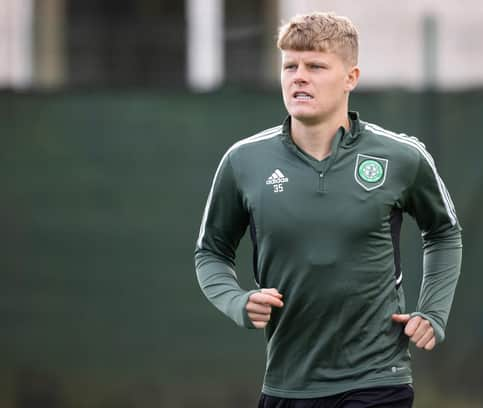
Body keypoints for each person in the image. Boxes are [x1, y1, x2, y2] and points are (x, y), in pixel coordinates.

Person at [195, 12, 462, 408]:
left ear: (351, 78)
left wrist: (433, 312)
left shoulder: (401, 157)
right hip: (288, 383)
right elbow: (211, 253)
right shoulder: (243, 161)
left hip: (378, 379)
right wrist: (237, 301)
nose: (299, 76)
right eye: (290, 66)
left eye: (315, 66)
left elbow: (444, 232)